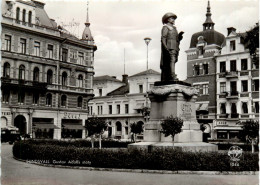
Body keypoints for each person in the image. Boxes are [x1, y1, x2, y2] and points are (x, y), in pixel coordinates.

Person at [160, 12, 184, 81]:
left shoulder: (174, 28)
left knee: (174, 60)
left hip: (175, 46)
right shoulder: (165, 27)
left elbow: (176, 38)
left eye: (174, 19)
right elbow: (163, 38)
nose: (173, 20)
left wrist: (179, 37)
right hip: (169, 46)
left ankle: (171, 75)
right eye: (172, 18)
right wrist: (165, 47)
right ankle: (173, 75)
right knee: (172, 60)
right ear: (167, 20)